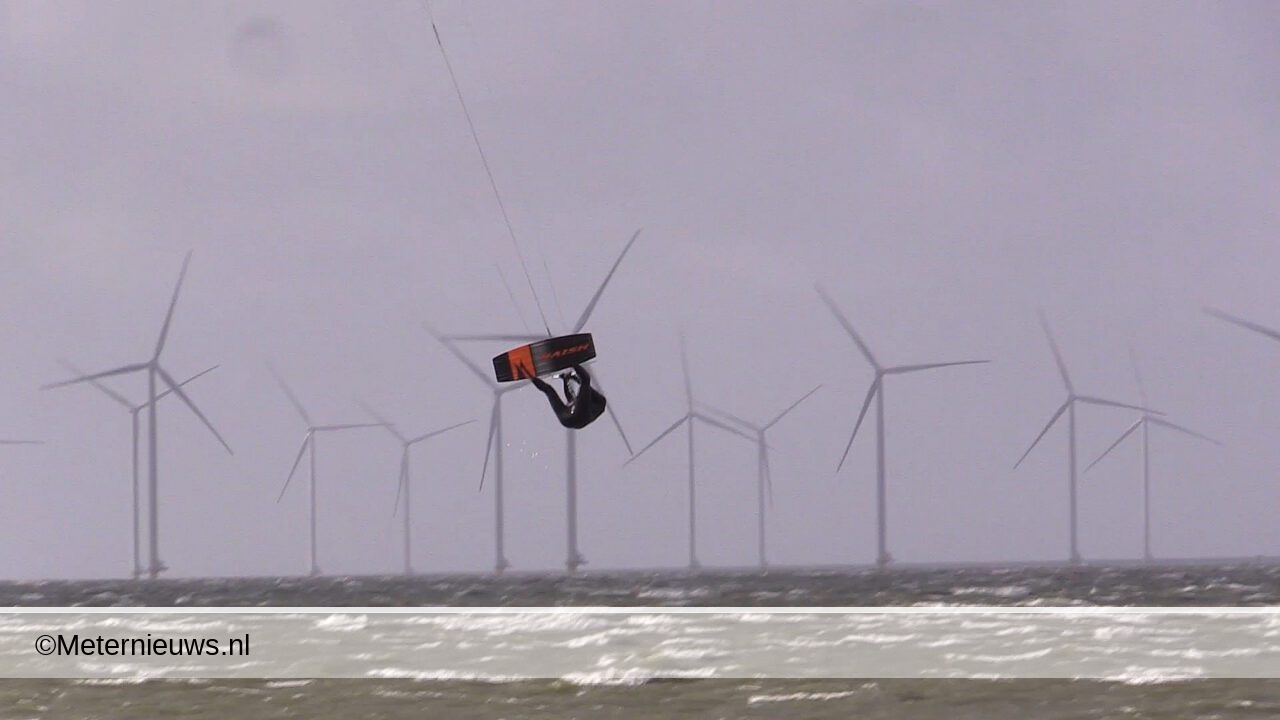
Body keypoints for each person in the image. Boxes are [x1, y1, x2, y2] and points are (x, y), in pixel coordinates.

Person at [525, 364, 607, 429]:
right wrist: (567, 378)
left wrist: (573, 372)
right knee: (548, 390)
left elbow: (585, 381)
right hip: (567, 421)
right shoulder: (589, 404)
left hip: (577, 417)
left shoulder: (599, 403)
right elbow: (572, 398)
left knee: (585, 380)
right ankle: (525, 371)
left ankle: (570, 361)